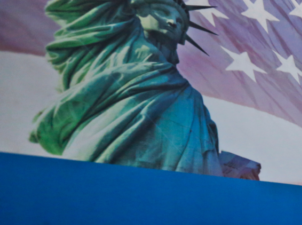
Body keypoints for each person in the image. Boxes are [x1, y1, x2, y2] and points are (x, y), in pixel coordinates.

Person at [29, 0, 259, 178]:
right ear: (136, 10)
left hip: (171, 197)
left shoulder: (186, 93)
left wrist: (229, 168)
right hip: (106, 169)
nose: (173, 22)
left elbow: (194, 156)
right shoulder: (117, 47)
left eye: (180, 20)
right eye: (162, 11)